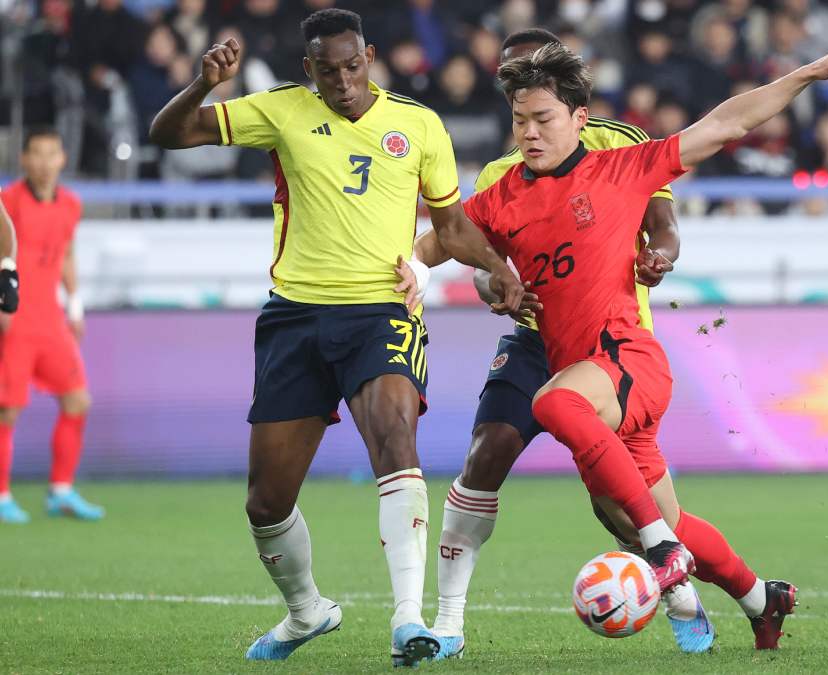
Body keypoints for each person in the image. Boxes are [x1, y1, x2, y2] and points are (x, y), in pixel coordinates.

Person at [458, 41, 828, 654]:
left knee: (553, 407)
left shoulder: (622, 163)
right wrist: (439, 270)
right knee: (635, 514)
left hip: (626, 359)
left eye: (543, 120)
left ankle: (662, 552)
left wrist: (810, 73)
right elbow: (447, 240)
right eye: (520, 120)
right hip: (592, 376)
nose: (529, 133)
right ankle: (762, 599)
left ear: (579, 117)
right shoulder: (501, 191)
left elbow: (728, 123)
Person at [147, 8, 524, 667]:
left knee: (393, 433)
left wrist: (498, 267)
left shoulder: (417, 124)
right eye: (328, 72)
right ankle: (306, 611)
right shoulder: (281, 110)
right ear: (308, 71)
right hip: (294, 318)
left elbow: (453, 224)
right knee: (266, 501)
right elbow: (168, 132)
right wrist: (203, 84)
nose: (344, 82)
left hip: (381, 312)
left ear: (370, 57)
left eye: (353, 67)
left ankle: (409, 618)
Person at [406, 28, 710, 658]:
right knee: (484, 456)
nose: (522, 108)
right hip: (533, 339)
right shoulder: (501, 171)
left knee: (621, 513)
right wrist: (498, 285)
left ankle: (687, 598)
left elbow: (664, 221)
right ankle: (450, 624)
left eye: (530, 81)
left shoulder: (619, 143)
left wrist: (662, 255)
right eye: (512, 89)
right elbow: (484, 259)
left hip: (610, 342)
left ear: (567, 88)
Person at [0, 128, 100, 524]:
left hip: (51, 321)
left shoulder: (71, 205)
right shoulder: (8, 202)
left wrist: (74, 306)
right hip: (15, 320)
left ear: (62, 159)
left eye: (51, 154)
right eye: (36, 155)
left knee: (77, 401)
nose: (44, 163)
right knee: (7, 410)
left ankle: (61, 491)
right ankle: (2, 495)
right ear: (24, 160)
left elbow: (66, 255)